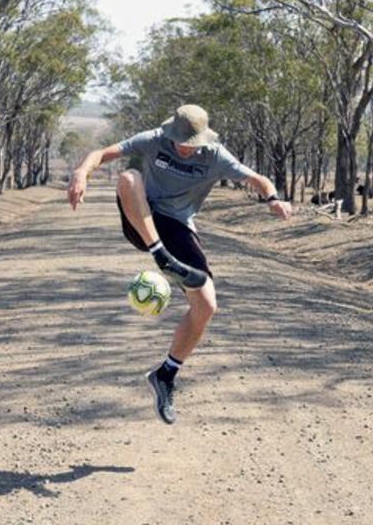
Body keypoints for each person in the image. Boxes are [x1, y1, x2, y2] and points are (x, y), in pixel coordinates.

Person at [66, 104, 293, 424]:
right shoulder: (154, 139)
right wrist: (80, 172)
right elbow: (101, 153)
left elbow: (257, 179)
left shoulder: (215, 155)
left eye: (192, 143)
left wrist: (273, 199)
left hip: (177, 227)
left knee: (207, 305)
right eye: (180, 141)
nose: (185, 148)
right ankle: (159, 254)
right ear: (170, 133)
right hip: (140, 216)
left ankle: (166, 375)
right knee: (129, 176)